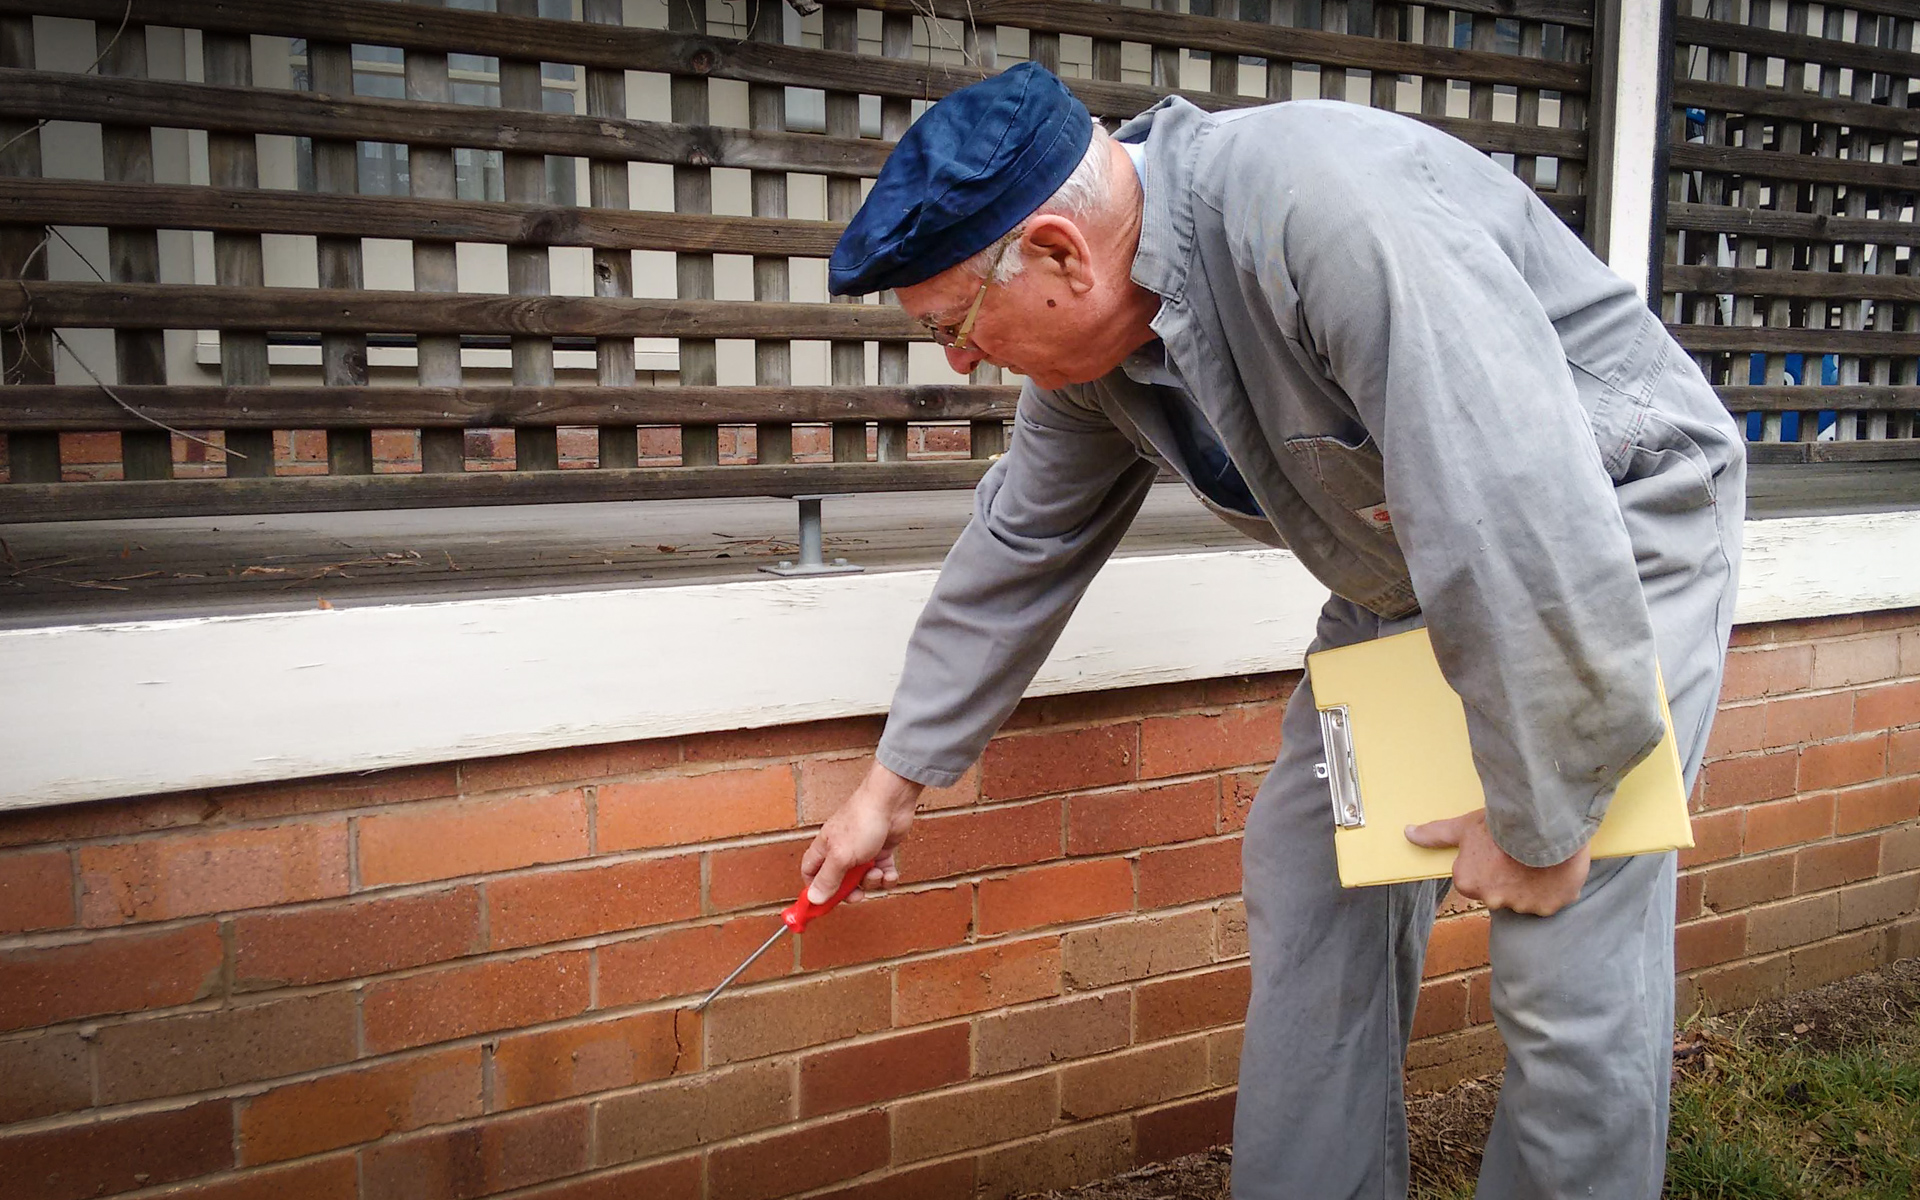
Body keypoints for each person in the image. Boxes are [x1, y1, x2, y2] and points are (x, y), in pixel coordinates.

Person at [799, 61, 1744, 1200]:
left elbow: (1511, 501)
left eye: (955, 324)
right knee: (1308, 881)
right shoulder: (1100, 363)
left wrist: (1542, 815)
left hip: (1607, 535)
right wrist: (889, 787)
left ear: (1057, 251)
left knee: (1564, 959)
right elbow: (1019, 550)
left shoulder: (1322, 209)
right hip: (1404, 569)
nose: (959, 361)